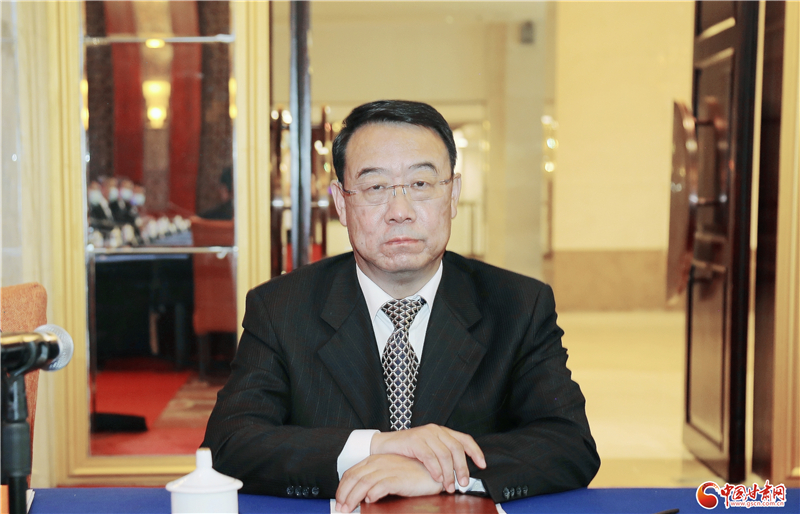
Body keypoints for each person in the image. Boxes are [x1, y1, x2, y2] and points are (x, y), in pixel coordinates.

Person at [202, 100, 599, 511]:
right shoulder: (282, 308)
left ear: (453, 195)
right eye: (375, 188)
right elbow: (229, 443)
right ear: (341, 203)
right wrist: (377, 448)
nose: (400, 212)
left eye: (421, 184)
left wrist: (443, 472)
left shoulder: (517, 306)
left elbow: (569, 442)